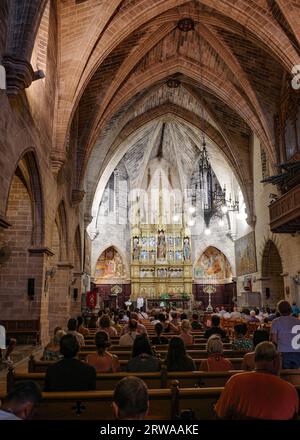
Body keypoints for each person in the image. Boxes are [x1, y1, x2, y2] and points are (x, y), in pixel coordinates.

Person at [215, 341, 299, 419]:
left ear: (254, 359)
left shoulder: (235, 381)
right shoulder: (290, 389)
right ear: (276, 360)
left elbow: (221, 414)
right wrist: (277, 373)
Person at [271, 300, 300, 369]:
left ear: (279, 310)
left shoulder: (276, 322)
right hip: (298, 352)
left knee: (285, 374)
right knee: (296, 374)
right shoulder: (298, 321)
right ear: (290, 309)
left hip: (283, 353)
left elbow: (274, 340)